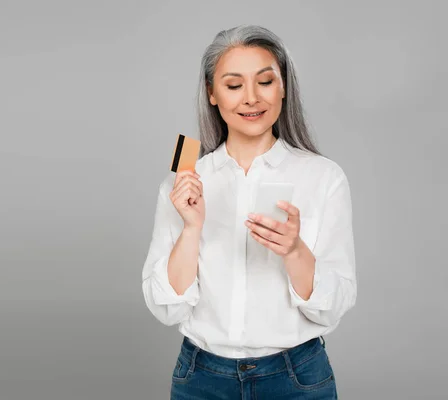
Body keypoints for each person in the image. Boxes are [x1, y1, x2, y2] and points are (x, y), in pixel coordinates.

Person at [141, 25, 356, 399]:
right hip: (202, 378)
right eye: (234, 85)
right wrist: (191, 229)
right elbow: (168, 309)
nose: (252, 99)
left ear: (283, 87)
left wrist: (294, 251)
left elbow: (333, 306)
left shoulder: (324, 178)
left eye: (265, 82)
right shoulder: (183, 184)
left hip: (297, 378)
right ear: (212, 93)